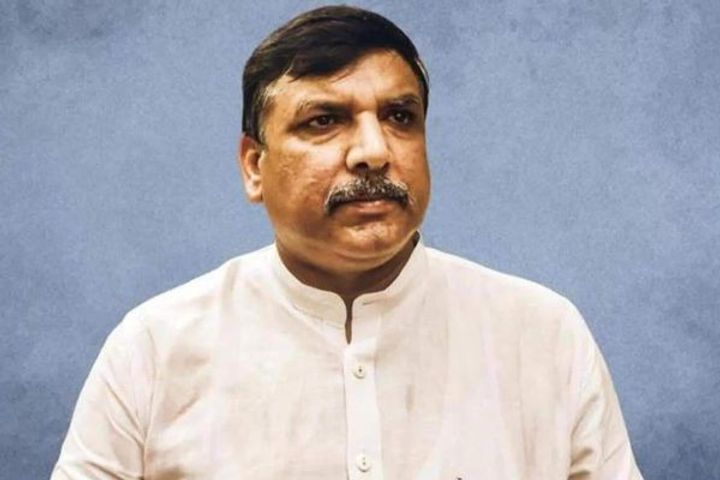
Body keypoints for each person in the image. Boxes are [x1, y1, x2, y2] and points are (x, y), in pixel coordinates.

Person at [52, 6, 643, 479]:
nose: (374, 151)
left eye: (399, 117)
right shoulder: (156, 350)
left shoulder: (542, 336)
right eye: (324, 120)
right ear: (254, 166)